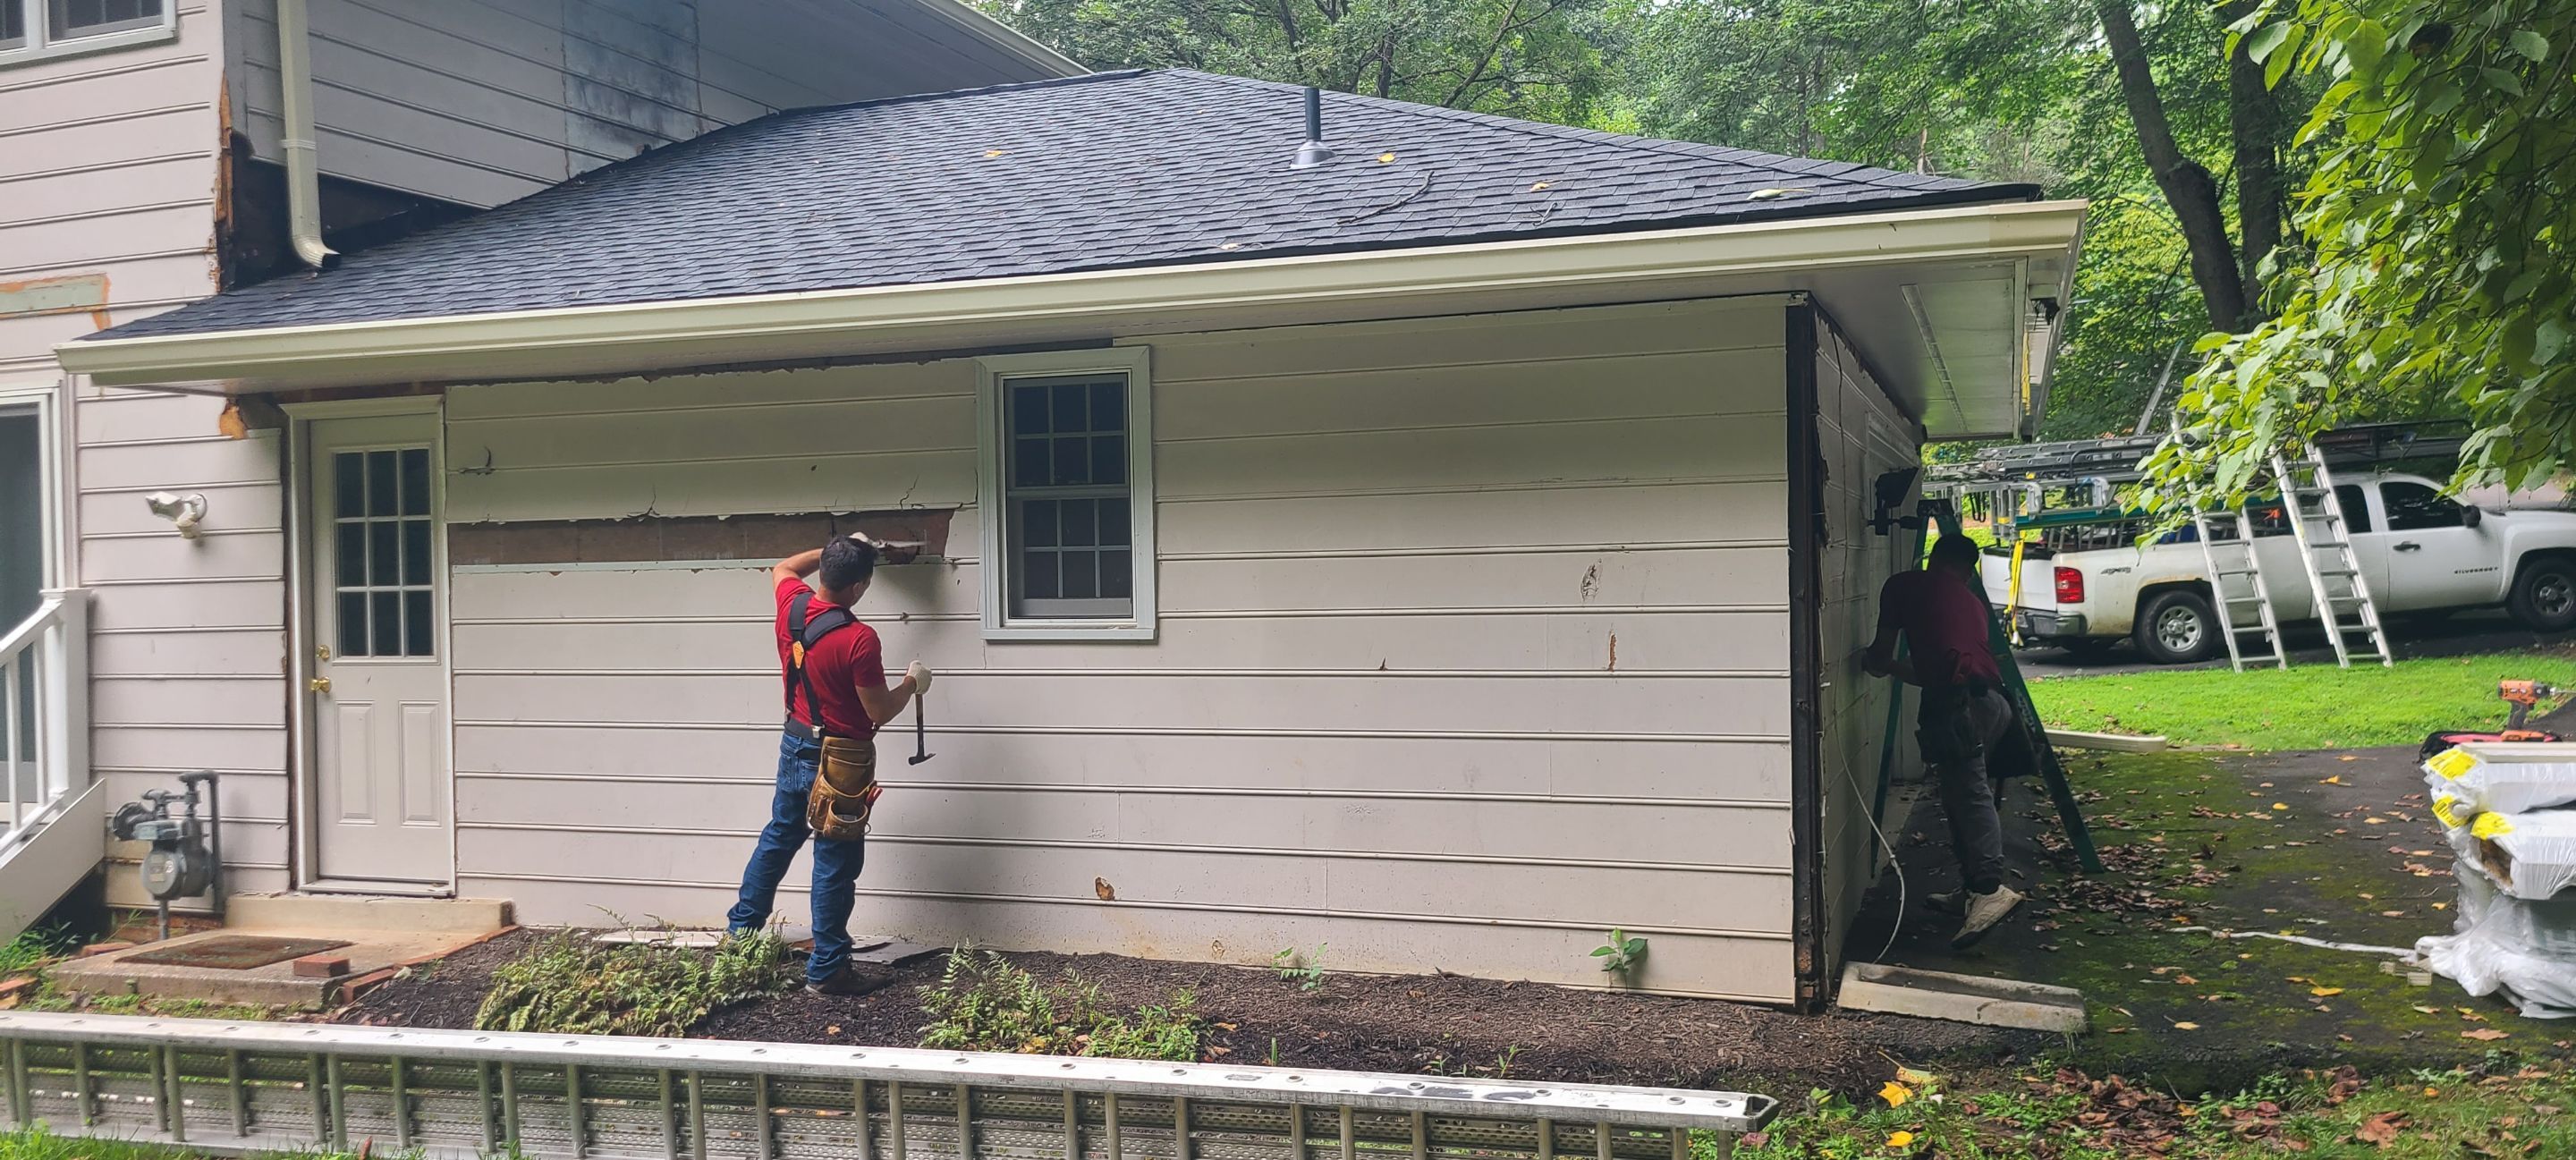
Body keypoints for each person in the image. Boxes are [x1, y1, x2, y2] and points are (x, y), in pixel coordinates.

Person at [727, 534, 931, 995]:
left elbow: (783, 566)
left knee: (780, 836)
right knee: (835, 859)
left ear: (825, 573)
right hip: (842, 759)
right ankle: (828, 970)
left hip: (794, 742)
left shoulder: (792, 606)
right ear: (859, 587)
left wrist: (838, 549)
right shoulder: (859, 639)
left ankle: (740, 937)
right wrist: (912, 684)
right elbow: (879, 710)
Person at [1862, 533, 2024, 948]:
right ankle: (1970, 890)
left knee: (1968, 794)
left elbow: (1881, 655)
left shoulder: (1903, 585)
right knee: (1959, 792)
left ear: (1934, 559)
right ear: (1968, 570)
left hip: (1960, 706)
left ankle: (1990, 890)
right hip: (1993, 703)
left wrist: (1878, 663)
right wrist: (1897, 667)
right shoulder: (1970, 603)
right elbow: (1933, 669)